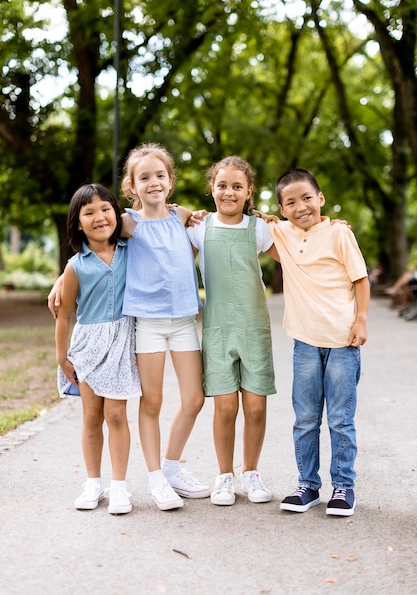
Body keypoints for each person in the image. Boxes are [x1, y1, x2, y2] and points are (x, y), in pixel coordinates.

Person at [268, 168, 369, 517]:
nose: (301, 206)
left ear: (321, 198)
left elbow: (360, 278)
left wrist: (361, 319)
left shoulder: (339, 233)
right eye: (291, 202)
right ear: (282, 209)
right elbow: (245, 219)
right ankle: (307, 485)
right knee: (306, 417)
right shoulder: (280, 232)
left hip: (342, 340)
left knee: (341, 418)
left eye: (307, 197)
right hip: (305, 343)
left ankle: (343, 486)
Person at [119, 143, 210, 510]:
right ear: (132, 186)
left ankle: (171, 468)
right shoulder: (127, 221)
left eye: (159, 175)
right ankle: (156, 478)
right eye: (144, 177)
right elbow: (93, 244)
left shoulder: (182, 216)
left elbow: (212, 231)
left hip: (185, 320)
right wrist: (65, 277)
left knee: (194, 399)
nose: (153, 182)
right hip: (149, 323)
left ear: (170, 181)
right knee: (152, 401)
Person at [187, 156, 279, 506]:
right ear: (212, 188)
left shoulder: (259, 229)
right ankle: (224, 475)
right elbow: (169, 256)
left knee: (255, 407)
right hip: (218, 327)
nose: (229, 192)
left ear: (249, 192)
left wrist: (327, 226)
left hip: (254, 327)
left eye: (237, 186)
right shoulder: (198, 228)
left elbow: (296, 255)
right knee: (225, 407)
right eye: (222, 185)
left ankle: (251, 472)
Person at [55, 184, 141, 515]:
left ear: (115, 213)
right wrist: (62, 357)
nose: (98, 217)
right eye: (87, 212)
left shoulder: (131, 249)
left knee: (116, 414)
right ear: (77, 224)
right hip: (88, 345)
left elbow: (147, 217)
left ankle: (119, 486)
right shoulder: (76, 266)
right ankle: (93, 482)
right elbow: (64, 315)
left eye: (105, 209)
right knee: (92, 416)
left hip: (122, 339)